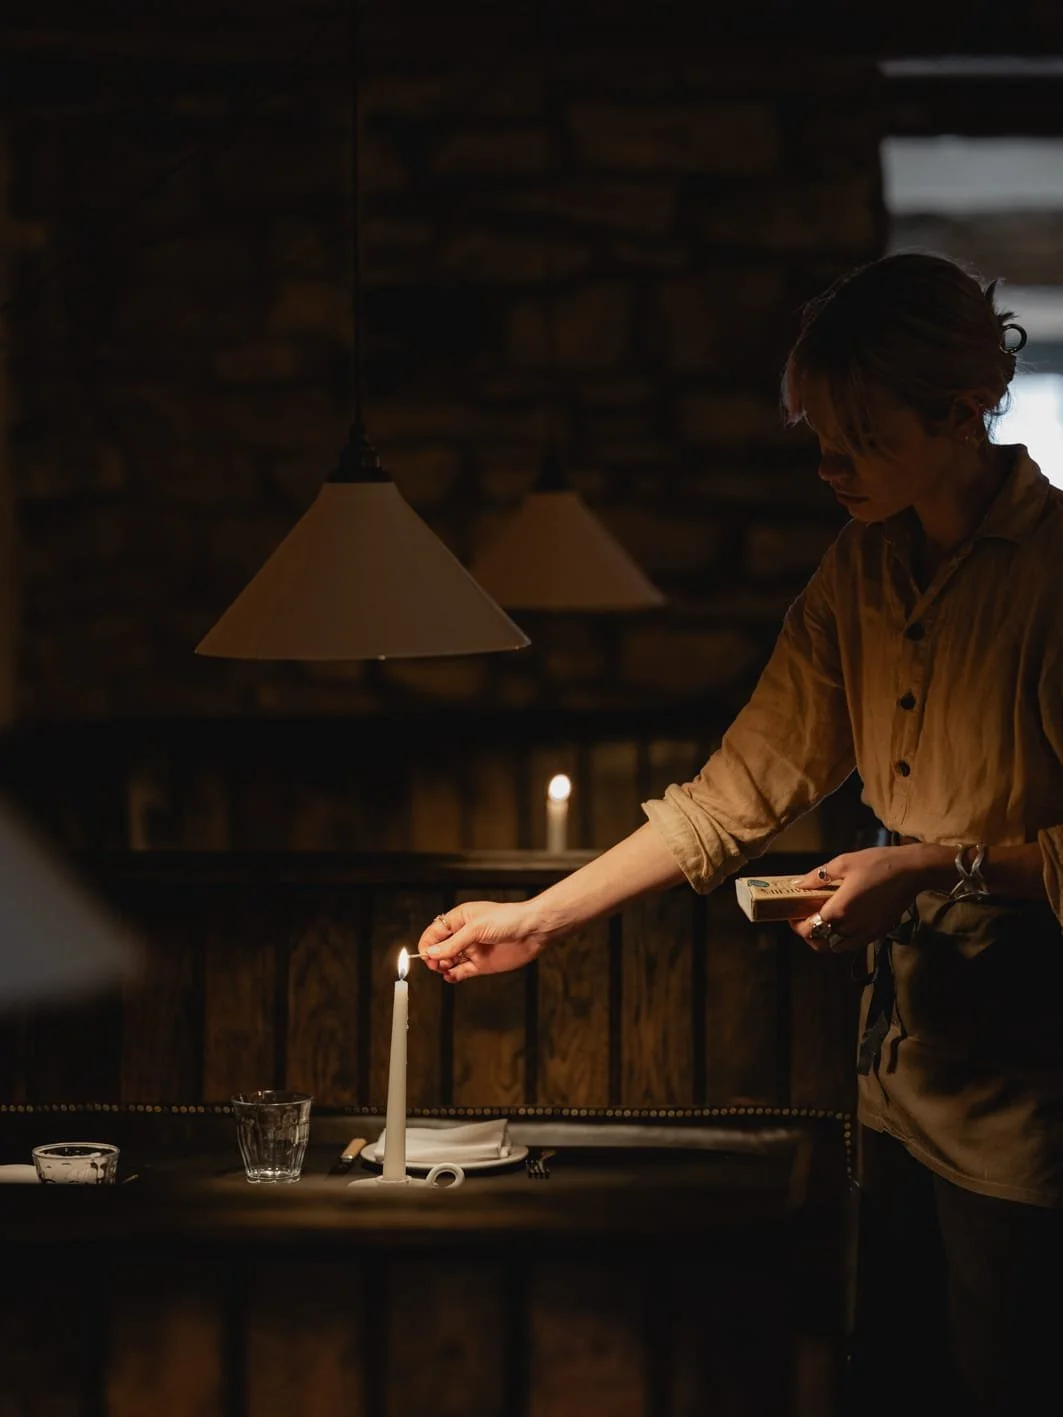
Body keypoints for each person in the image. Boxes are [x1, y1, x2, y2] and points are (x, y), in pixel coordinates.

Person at [416, 251, 1063, 1417]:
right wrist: (537, 918)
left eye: (858, 435)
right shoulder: (855, 570)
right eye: (815, 432)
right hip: (896, 1076)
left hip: (1035, 1095)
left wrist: (934, 863)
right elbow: (734, 793)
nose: (828, 465)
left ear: (962, 408)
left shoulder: (1054, 580)